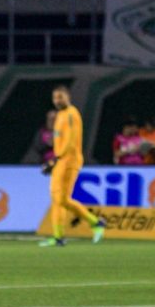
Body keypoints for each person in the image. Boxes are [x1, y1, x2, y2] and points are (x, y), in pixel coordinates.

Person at [39, 86, 106, 247]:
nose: (57, 100)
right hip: (61, 160)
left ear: (68, 97)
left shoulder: (71, 114)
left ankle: (95, 222)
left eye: (60, 97)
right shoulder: (60, 115)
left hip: (69, 161)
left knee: (61, 199)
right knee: (57, 199)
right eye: (55, 97)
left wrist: (55, 159)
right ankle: (58, 237)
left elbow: (70, 140)